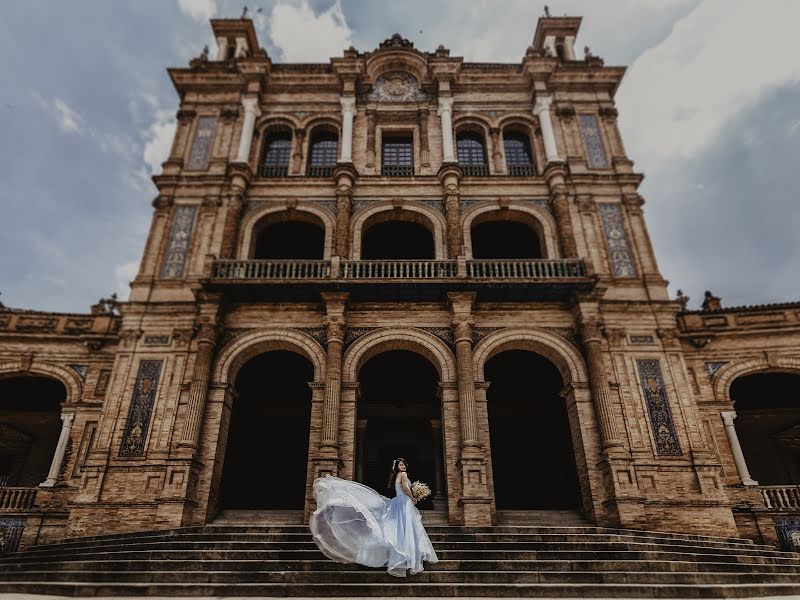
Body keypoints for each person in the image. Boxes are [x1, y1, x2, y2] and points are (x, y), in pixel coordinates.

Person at [309, 458, 439, 577]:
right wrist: (413, 497)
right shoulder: (403, 475)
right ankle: (409, 557)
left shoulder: (397, 476)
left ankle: (401, 556)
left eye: (404, 464)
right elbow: (405, 488)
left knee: (399, 529)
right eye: (401, 464)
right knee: (405, 529)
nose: (403, 466)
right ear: (397, 467)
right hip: (404, 502)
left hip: (399, 502)